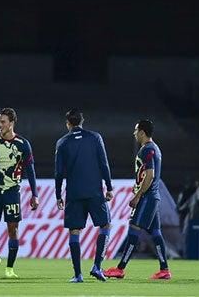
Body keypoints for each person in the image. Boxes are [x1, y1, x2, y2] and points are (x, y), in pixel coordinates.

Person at [0, 107, 39, 279]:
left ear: (11, 123)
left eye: (2, 122)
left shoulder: (23, 144)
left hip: (12, 192)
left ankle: (10, 268)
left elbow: (30, 170)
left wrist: (35, 194)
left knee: (13, 229)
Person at [103, 120, 171, 280]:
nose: (134, 133)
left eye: (136, 130)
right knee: (156, 233)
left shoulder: (147, 149)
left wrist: (138, 195)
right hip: (153, 197)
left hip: (147, 197)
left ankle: (120, 268)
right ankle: (164, 270)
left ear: (142, 132)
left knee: (134, 228)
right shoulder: (155, 149)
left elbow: (150, 175)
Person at [54, 109, 113, 283]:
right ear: (82, 121)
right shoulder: (95, 138)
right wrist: (109, 187)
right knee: (106, 225)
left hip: (74, 193)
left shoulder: (62, 142)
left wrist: (58, 194)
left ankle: (78, 274)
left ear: (68, 124)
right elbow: (104, 164)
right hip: (95, 191)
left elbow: (58, 173)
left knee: (74, 231)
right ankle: (97, 265)